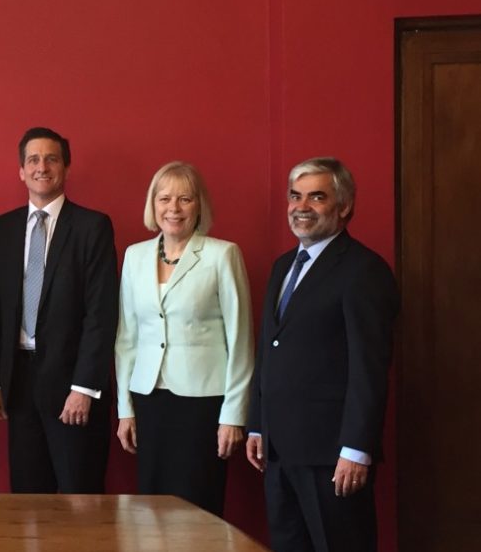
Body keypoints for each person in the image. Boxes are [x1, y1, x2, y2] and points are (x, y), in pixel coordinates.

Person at [246, 157, 399, 551]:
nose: (302, 206)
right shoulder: (283, 266)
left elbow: (369, 368)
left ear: (343, 206)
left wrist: (357, 449)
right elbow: (269, 350)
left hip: (332, 455)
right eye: (295, 196)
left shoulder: (364, 270)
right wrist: (258, 425)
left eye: (317, 197)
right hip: (278, 451)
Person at [113, 161, 253, 516]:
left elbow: (240, 341)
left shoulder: (222, 254)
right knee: (151, 508)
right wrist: (125, 409)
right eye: (164, 199)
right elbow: (127, 339)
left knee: (198, 506)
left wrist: (233, 415)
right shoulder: (135, 256)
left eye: (185, 199)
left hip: (202, 404)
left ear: (199, 205)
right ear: (153, 205)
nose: (173, 208)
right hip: (149, 401)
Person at [0, 127, 118, 493]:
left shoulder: (92, 227)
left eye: (51, 159)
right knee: (28, 500)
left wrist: (84, 388)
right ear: (21, 171)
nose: (42, 167)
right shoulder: (3, 228)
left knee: (80, 496)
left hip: (72, 385)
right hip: (19, 385)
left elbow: (101, 314)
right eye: (33, 160)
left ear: (66, 168)